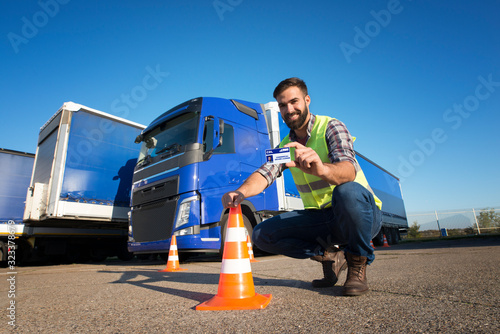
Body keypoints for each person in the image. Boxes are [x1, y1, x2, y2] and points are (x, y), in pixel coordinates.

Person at [221, 77, 382, 296]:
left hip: (359, 215)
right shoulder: (285, 147)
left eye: (294, 102)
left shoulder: (331, 126)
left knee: (347, 191)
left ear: (307, 100)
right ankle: (330, 255)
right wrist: (240, 192)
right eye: (282, 105)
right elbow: (264, 173)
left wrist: (322, 169)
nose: (289, 109)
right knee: (261, 235)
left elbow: (348, 170)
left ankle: (357, 263)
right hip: (321, 218)